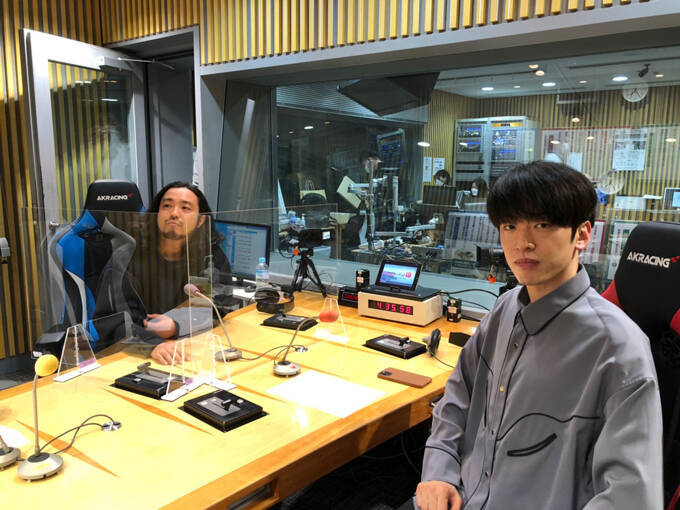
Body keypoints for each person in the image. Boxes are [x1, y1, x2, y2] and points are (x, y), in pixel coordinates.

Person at [414, 162, 663, 510]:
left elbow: (630, 497)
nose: (523, 243)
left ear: (582, 235)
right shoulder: (504, 309)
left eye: (542, 225)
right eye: (509, 226)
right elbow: (457, 396)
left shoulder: (618, 348)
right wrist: (438, 471)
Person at [130, 181, 232, 365]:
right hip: (139, 352)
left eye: (185, 208)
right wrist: (152, 344)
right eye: (167, 206)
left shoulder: (209, 256)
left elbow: (217, 305)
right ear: (156, 214)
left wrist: (175, 325)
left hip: (190, 348)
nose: (174, 213)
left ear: (201, 220)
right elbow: (115, 319)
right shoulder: (130, 256)